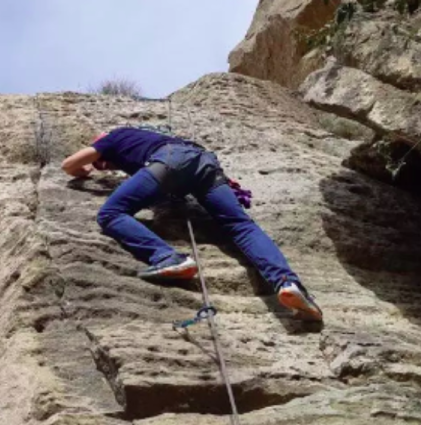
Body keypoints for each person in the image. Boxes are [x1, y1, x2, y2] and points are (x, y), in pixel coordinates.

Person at [61, 127, 322, 321]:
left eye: (103, 162)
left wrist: (86, 169)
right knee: (242, 226)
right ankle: (288, 284)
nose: (105, 166)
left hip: (169, 161)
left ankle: (167, 258)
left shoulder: (113, 137)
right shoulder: (148, 138)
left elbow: (69, 164)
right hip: (204, 163)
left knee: (110, 213)